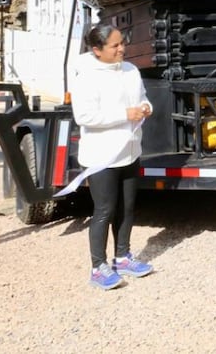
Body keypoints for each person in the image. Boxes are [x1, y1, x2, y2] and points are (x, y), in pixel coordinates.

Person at [71, 24, 155, 290]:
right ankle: (98, 267)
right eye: (115, 45)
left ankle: (123, 258)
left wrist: (145, 107)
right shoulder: (87, 75)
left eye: (122, 43)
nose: (122, 49)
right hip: (101, 156)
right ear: (97, 50)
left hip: (129, 152)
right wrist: (125, 115)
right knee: (104, 210)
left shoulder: (131, 71)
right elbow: (84, 117)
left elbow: (143, 98)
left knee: (127, 208)